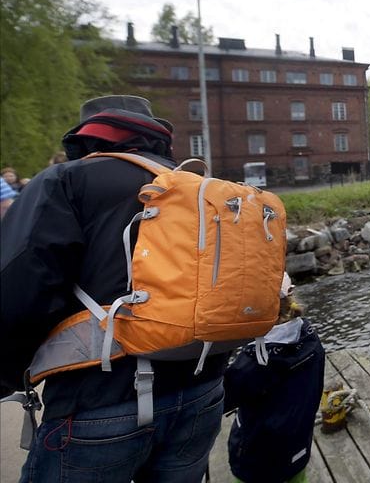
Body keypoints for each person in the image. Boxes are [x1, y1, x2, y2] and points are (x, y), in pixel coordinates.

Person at [1, 95, 228, 482]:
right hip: (203, 390)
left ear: (88, 137)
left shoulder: (66, 180)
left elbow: (20, 291)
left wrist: (8, 376)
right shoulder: (201, 186)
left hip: (100, 402)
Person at [223, 272, 326, 483]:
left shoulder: (254, 361)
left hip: (256, 459)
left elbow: (222, 399)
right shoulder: (310, 338)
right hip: (298, 446)